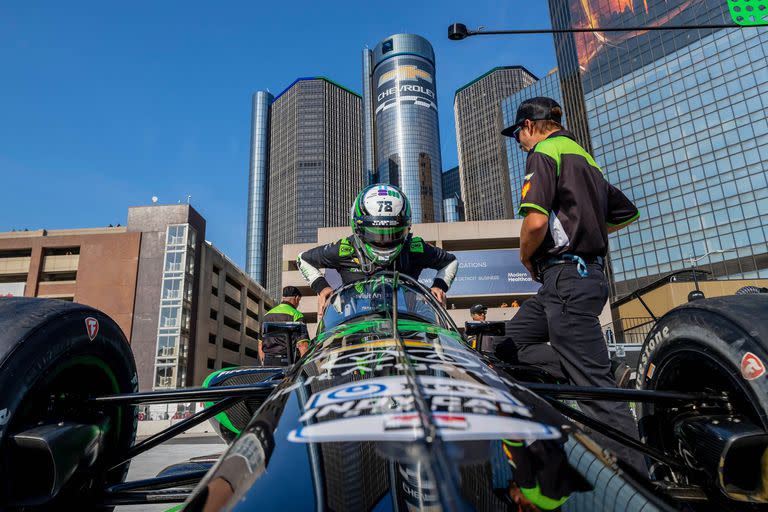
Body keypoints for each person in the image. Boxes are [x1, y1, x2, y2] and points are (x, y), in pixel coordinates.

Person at [498, 96, 645, 471]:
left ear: (530, 125)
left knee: (596, 394)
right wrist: (587, 229)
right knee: (508, 348)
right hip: (573, 280)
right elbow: (626, 212)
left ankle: (635, 483)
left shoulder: (544, 153)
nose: (518, 141)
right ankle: (607, 369)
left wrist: (526, 255)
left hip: (566, 277)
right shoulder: (585, 159)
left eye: (517, 133)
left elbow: (534, 223)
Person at [297, 184, 458, 318]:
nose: (384, 240)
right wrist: (322, 287)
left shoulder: (413, 247)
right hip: (355, 329)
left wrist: (439, 285)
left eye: (392, 233)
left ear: (406, 228)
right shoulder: (345, 249)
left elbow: (450, 261)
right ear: (358, 228)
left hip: (409, 326)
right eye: (376, 233)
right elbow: (303, 259)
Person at [259, 286, 309, 366]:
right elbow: (303, 345)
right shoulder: (297, 315)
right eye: (299, 301)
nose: (298, 304)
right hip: (287, 362)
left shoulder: (266, 316)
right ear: (296, 298)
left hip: (268, 362)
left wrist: (263, 362)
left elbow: (260, 343)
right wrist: (306, 367)